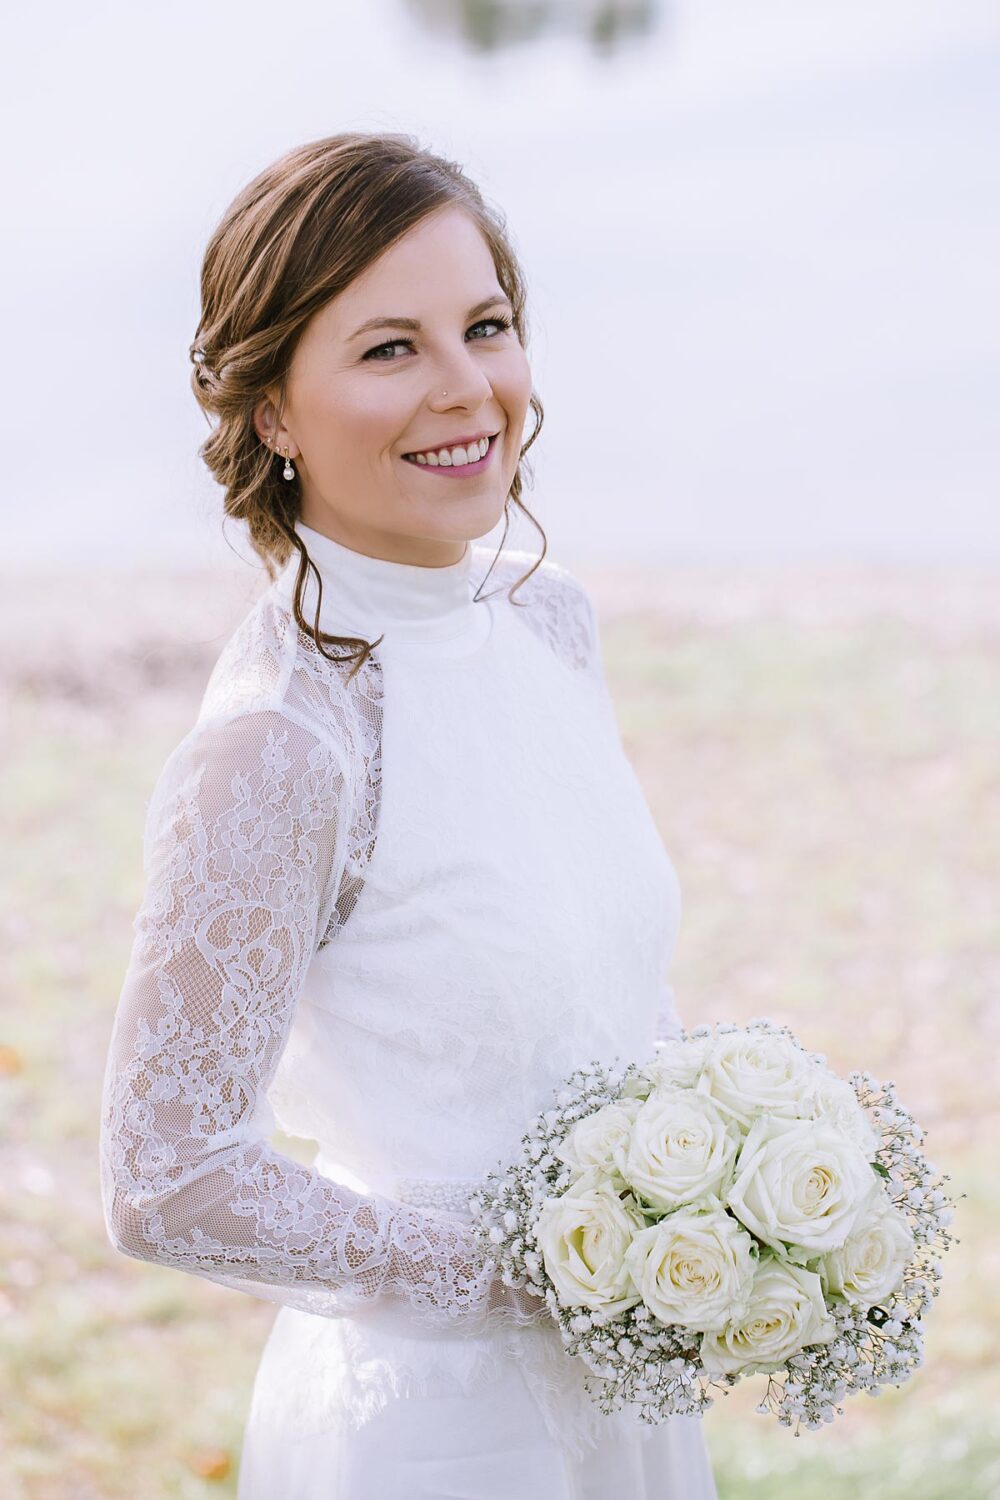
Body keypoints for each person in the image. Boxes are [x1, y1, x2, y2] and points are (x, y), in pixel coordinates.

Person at [98, 131, 719, 1500]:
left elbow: (590, 983)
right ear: (272, 410)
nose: (468, 389)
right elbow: (167, 1175)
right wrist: (539, 1277)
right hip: (437, 1430)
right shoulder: (280, 745)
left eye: (485, 326)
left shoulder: (549, 623)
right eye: (390, 349)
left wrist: (723, 1175)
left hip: (632, 1385)